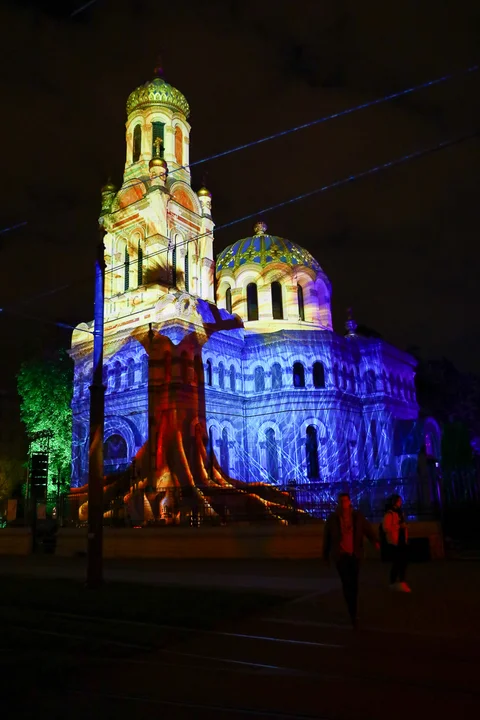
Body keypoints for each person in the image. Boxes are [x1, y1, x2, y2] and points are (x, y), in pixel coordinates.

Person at [324, 493, 379, 629]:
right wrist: (325, 555)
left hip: (354, 555)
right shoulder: (332, 519)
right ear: (338, 503)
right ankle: (352, 613)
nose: (343, 503)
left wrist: (375, 541)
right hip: (340, 556)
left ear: (349, 502)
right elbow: (327, 538)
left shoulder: (357, 517)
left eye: (345, 501)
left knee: (353, 584)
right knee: (346, 583)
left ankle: (353, 610)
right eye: (341, 501)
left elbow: (367, 529)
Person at [383, 494, 411, 592]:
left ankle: (401, 581)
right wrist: (399, 526)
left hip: (402, 540)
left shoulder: (400, 512)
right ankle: (393, 581)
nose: (400, 503)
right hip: (395, 542)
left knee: (403, 562)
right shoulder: (390, 514)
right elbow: (386, 528)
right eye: (399, 501)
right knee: (397, 562)